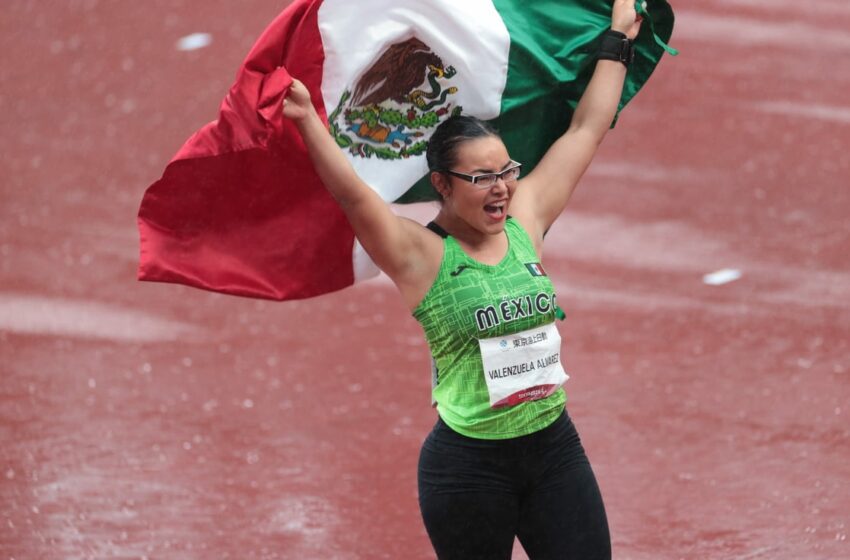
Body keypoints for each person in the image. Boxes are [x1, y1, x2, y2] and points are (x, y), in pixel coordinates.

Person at [282, 1, 642, 557]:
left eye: (507, 171)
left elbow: (586, 129)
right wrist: (308, 119)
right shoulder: (419, 256)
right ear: (442, 185)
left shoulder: (526, 221)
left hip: (554, 452)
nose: (501, 187)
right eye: (482, 177)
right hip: (469, 470)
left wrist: (618, 40)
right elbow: (353, 195)